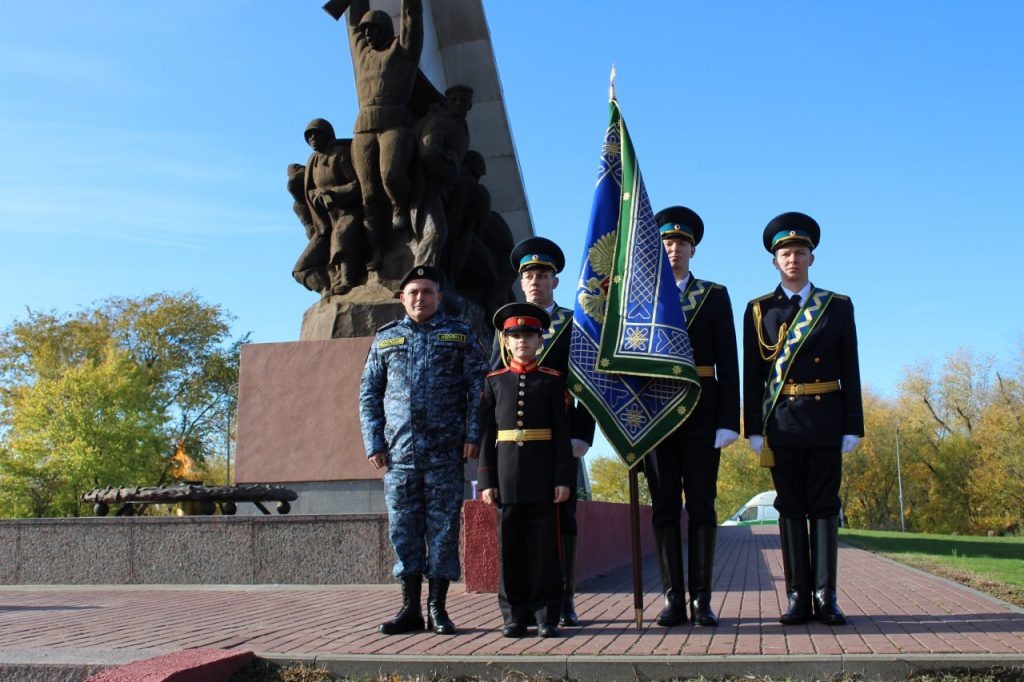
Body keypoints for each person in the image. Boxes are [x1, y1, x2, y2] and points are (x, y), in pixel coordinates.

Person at [742, 212, 863, 626]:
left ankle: (825, 595)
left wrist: (853, 424)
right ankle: (797, 596)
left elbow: (851, 367)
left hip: (828, 420)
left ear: (812, 257)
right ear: (774, 261)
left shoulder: (837, 306)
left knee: (825, 507)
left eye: (799, 251)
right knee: (790, 507)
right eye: (784, 253)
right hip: (783, 424)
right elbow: (752, 375)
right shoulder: (759, 310)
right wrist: (753, 428)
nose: (792, 258)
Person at [359, 264, 488, 635]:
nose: (420, 298)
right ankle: (409, 609)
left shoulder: (459, 334)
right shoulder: (385, 338)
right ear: (402, 299)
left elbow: (478, 389)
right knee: (404, 531)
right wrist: (375, 442)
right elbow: (369, 393)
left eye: (427, 292)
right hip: (398, 456)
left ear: (439, 297)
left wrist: (472, 435)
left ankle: (439, 609)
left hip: (446, 454)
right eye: (413, 292)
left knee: (444, 531)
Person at [491, 236, 595, 627]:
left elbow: (589, 384)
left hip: (561, 442)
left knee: (562, 523)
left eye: (543, 274)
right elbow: (491, 387)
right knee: (518, 531)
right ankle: (523, 607)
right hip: (515, 454)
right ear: (521, 281)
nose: (535, 280)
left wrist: (583, 435)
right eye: (529, 274)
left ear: (555, 280)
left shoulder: (575, 324)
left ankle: (564, 597)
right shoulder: (504, 328)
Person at [645, 206, 740, 627]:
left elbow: (729, 363)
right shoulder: (640, 299)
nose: (673, 249)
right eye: (667, 243)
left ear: (693, 249)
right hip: (655, 418)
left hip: (702, 414)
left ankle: (702, 599)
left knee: (701, 506)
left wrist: (728, 420)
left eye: (681, 243)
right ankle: (673, 598)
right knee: (664, 509)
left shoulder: (714, 295)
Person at [478, 302, 577, 638]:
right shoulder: (494, 382)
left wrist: (563, 477)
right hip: (506, 477)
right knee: (510, 550)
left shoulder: (552, 381)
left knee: (545, 549)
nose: (522, 341)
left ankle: (547, 614)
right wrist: (487, 479)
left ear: (540, 341)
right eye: (515, 336)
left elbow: (562, 434)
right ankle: (514, 616)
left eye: (529, 335)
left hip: (543, 476)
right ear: (506, 342)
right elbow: (487, 434)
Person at [347, 0, 424, 269]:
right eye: (366, 30)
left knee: (391, 174)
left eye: (374, 29)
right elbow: (354, 19)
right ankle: (377, 250)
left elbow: (412, 18)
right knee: (368, 194)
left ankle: (400, 208)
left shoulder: (402, 50)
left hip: (395, 121)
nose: (368, 34)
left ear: (385, 30)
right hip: (364, 125)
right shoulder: (362, 53)